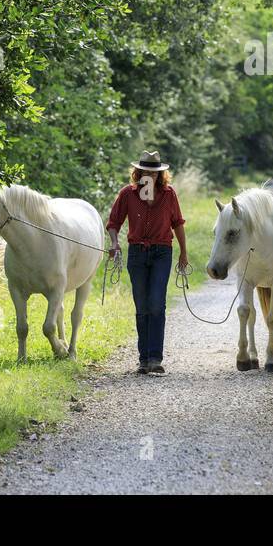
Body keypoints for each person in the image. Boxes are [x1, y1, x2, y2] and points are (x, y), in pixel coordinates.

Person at [106, 150, 189, 376]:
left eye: (154, 173)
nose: (150, 176)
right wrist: (114, 243)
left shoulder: (168, 194)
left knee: (156, 303)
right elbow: (113, 222)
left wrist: (184, 252)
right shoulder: (128, 194)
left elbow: (178, 223)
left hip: (162, 252)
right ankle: (143, 359)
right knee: (142, 306)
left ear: (160, 175)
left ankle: (155, 358)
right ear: (139, 172)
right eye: (146, 171)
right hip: (137, 254)